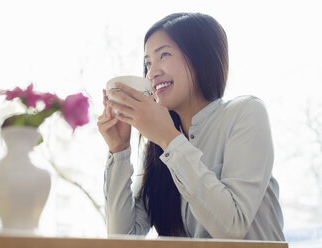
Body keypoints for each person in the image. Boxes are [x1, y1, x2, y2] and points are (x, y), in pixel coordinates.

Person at [97, 12, 285, 241]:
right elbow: (122, 238)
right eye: (147, 63)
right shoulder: (158, 146)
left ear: (200, 57)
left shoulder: (246, 112)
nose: (151, 73)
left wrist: (168, 139)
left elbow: (232, 227)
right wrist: (119, 150)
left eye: (163, 55)